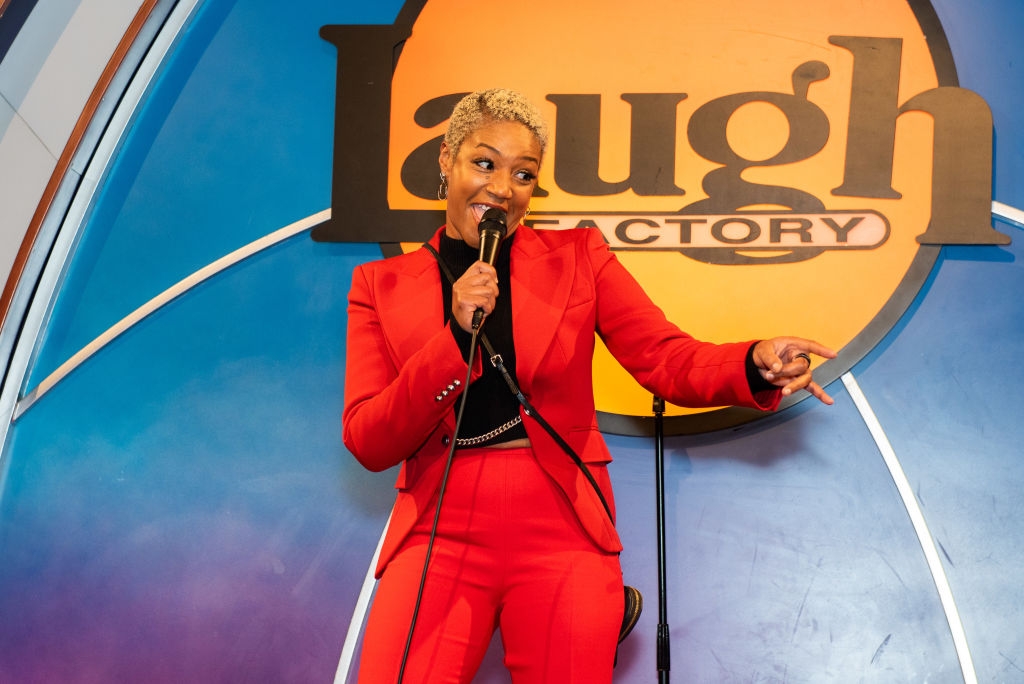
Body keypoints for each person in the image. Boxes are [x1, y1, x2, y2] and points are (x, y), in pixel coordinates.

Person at [343, 88, 836, 684]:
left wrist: (753, 362)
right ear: (445, 159)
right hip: (438, 527)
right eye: (484, 162)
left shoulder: (579, 257)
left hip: (561, 521)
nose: (502, 187)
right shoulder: (380, 285)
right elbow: (369, 440)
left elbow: (663, 358)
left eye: (523, 174)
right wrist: (453, 339)